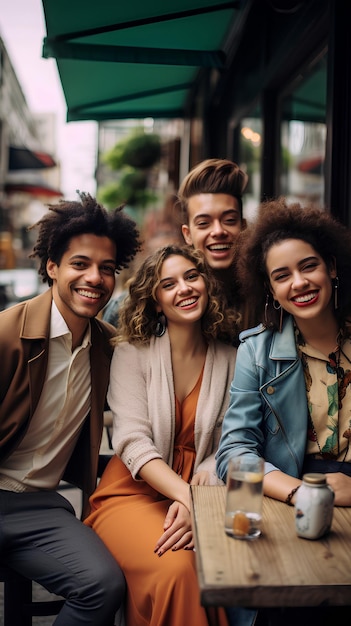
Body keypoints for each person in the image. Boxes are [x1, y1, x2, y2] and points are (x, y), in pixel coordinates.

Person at [85, 244, 245, 626]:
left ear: (206, 285)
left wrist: (200, 494)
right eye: (168, 284)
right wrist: (189, 498)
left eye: (192, 277)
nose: (184, 289)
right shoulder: (132, 353)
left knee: (226, 567)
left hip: (204, 491)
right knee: (178, 570)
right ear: (156, 302)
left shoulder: (232, 358)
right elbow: (132, 441)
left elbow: (230, 438)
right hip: (132, 493)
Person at [0, 192, 141, 626]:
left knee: (104, 585)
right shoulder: (7, 334)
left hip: (42, 507)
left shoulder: (108, 345)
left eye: (107, 268)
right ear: (52, 267)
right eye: (80, 264)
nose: (94, 278)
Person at [216, 197, 351, 509]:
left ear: (331, 267)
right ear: (271, 289)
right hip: (290, 498)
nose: (299, 282)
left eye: (309, 266)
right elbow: (233, 454)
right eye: (282, 276)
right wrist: (301, 493)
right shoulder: (256, 352)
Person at [177, 158, 255, 328]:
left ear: (243, 226)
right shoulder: (172, 296)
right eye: (204, 223)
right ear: (188, 234)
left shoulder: (266, 294)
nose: (218, 231)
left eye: (229, 220)